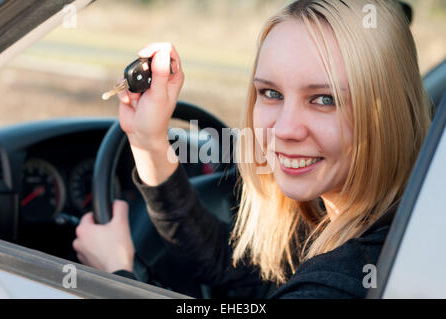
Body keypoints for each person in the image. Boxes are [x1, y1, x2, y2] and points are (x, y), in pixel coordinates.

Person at [72, 0, 432, 298]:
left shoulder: (344, 281)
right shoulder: (351, 217)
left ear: (389, 112)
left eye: (325, 99)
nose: (285, 130)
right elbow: (238, 273)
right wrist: (148, 140)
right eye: (271, 93)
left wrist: (115, 276)